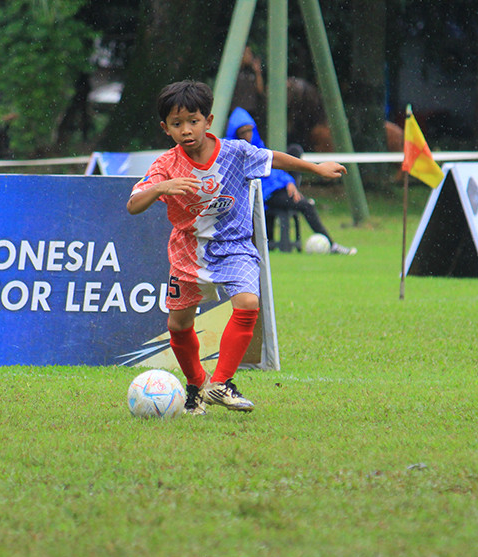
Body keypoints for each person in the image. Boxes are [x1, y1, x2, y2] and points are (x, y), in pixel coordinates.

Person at [127, 81, 347, 414]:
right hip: (188, 250)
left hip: (234, 244)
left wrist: (316, 168)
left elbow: (273, 157)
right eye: (177, 124)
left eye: (193, 121)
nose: (186, 130)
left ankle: (222, 383)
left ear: (208, 120)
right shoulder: (165, 166)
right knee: (178, 326)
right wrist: (163, 187)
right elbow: (133, 204)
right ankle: (195, 386)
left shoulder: (235, 152)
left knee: (247, 302)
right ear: (165, 129)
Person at [224, 106, 356, 255]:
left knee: (306, 204)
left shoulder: (256, 145)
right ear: (235, 133)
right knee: (306, 206)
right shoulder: (231, 150)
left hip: (272, 192)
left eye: (250, 130)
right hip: (256, 197)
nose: (248, 135)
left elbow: (274, 166)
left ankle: (330, 244)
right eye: (243, 132)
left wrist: (289, 181)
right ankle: (331, 245)